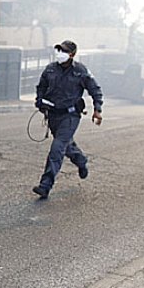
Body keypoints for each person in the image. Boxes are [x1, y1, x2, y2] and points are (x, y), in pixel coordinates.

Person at [32, 40, 103, 199]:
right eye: (59, 50)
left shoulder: (80, 71)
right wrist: (40, 100)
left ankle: (45, 185)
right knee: (67, 146)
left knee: (57, 148)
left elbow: (95, 90)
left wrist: (97, 109)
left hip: (70, 116)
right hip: (53, 115)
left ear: (72, 54)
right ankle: (81, 160)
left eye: (64, 51)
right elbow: (41, 87)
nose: (60, 53)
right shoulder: (50, 69)